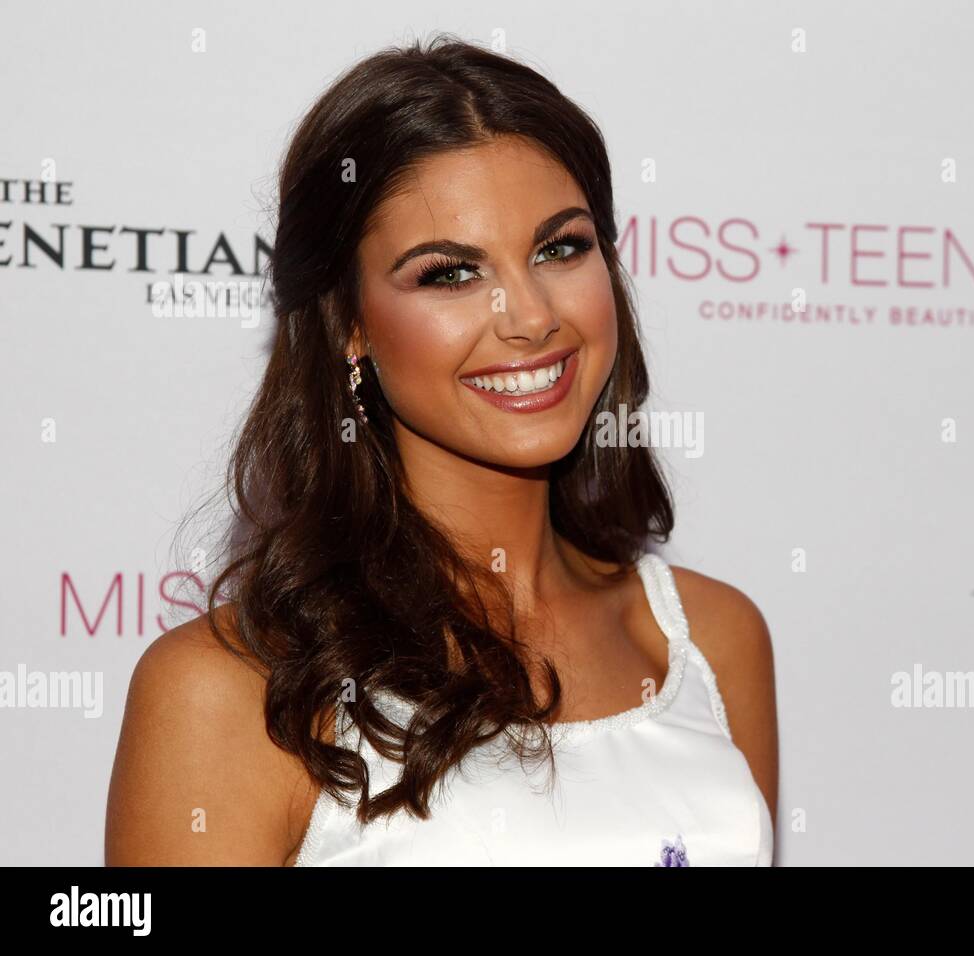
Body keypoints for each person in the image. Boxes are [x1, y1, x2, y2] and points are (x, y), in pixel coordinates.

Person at [104, 34, 777, 866]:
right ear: (349, 325)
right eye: (449, 274)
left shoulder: (713, 639)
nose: (529, 316)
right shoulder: (226, 690)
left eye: (560, 248)